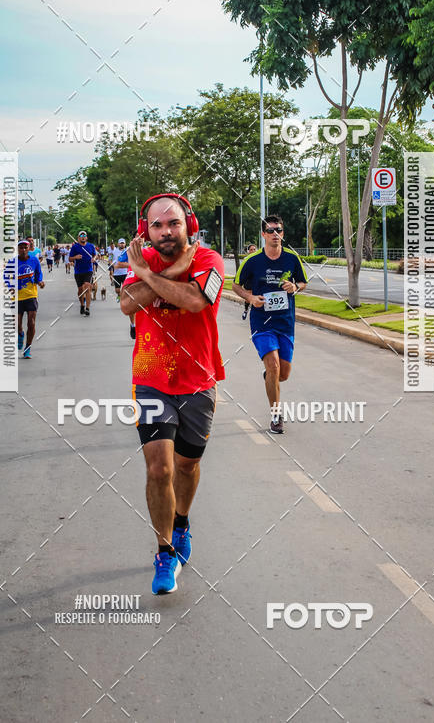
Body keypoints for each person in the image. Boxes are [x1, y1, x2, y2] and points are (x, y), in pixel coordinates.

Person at [120, 194, 224, 596]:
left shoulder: (209, 261)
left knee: (186, 466)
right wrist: (156, 274)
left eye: (173, 224)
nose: (166, 231)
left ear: (188, 225)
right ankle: (164, 551)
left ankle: (182, 523)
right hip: (150, 378)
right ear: (146, 229)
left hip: (198, 380)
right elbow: (127, 305)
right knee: (159, 469)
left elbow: (196, 301)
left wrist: (152, 274)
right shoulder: (142, 261)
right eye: (158, 225)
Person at [232, 215, 307, 435]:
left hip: (285, 322)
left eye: (279, 230)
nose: (276, 234)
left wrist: (295, 287)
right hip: (261, 322)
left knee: (283, 373)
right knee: (273, 365)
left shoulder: (292, 259)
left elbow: (302, 282)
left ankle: (271, 378)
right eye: (271, 230)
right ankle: (276, 415)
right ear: (263, 234)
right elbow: (235, 286)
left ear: (283, 234)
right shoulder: (252, 261)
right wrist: (250, 298)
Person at [4, 239, 45, 359]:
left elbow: (38, 273)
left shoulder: (34, 260)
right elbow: (6, 276)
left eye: (25, 247)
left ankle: (27, 348)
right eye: (21, 247)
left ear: (28, 249)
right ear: (18, 249)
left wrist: (40, 281)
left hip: (31, 295)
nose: (23, 250)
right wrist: (10, 286)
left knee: (31, 322)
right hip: (17, 297)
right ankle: (20, 334)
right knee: (16, 324)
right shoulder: (13, 262)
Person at [69, 230, 97, 316]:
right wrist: (75, 257)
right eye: (81, 235)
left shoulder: (91, 246)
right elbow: (70, 259)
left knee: (87, 287)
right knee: (80, 290)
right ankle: (82, 305)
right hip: (78, 271)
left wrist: (94, 258)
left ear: (86, 237)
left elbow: (94, 255)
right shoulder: (75, 247)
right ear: (78, 238)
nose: (83, 237)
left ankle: (87, 308)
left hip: (88, 270)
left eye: (84, 235)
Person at [115, 233, 137, 338]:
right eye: (137, 236)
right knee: (132, 303)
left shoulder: (149, 249)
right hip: (132, 277)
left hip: (145, 278)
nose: (140, 238)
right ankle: (133, 325)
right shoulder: (128, 250)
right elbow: (119, 263)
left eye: (142, 236)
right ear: (133, 239)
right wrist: (132, 265)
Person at [241, 243, 258, 320]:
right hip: (248, 280)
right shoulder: (246, 259)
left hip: (257, 280)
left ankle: (256, 312)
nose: (253, 251)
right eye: (251, 249)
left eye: (254, 249)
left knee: (257, 295)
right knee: (248, 297)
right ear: (248, 251)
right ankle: (246, 310)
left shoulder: (259, 258)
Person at [112, 237, 129, 302]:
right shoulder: (114, 251)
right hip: (116, 273)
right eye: (120, 243)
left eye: (123, 243)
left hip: (125, 272)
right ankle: (119, 295)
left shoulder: (127, 251)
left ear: (125, 244)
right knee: (117, 290)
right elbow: (110, 260)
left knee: (126, 289)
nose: (122, 244)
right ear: (118, 244)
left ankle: (124, 299)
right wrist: (113, 265)